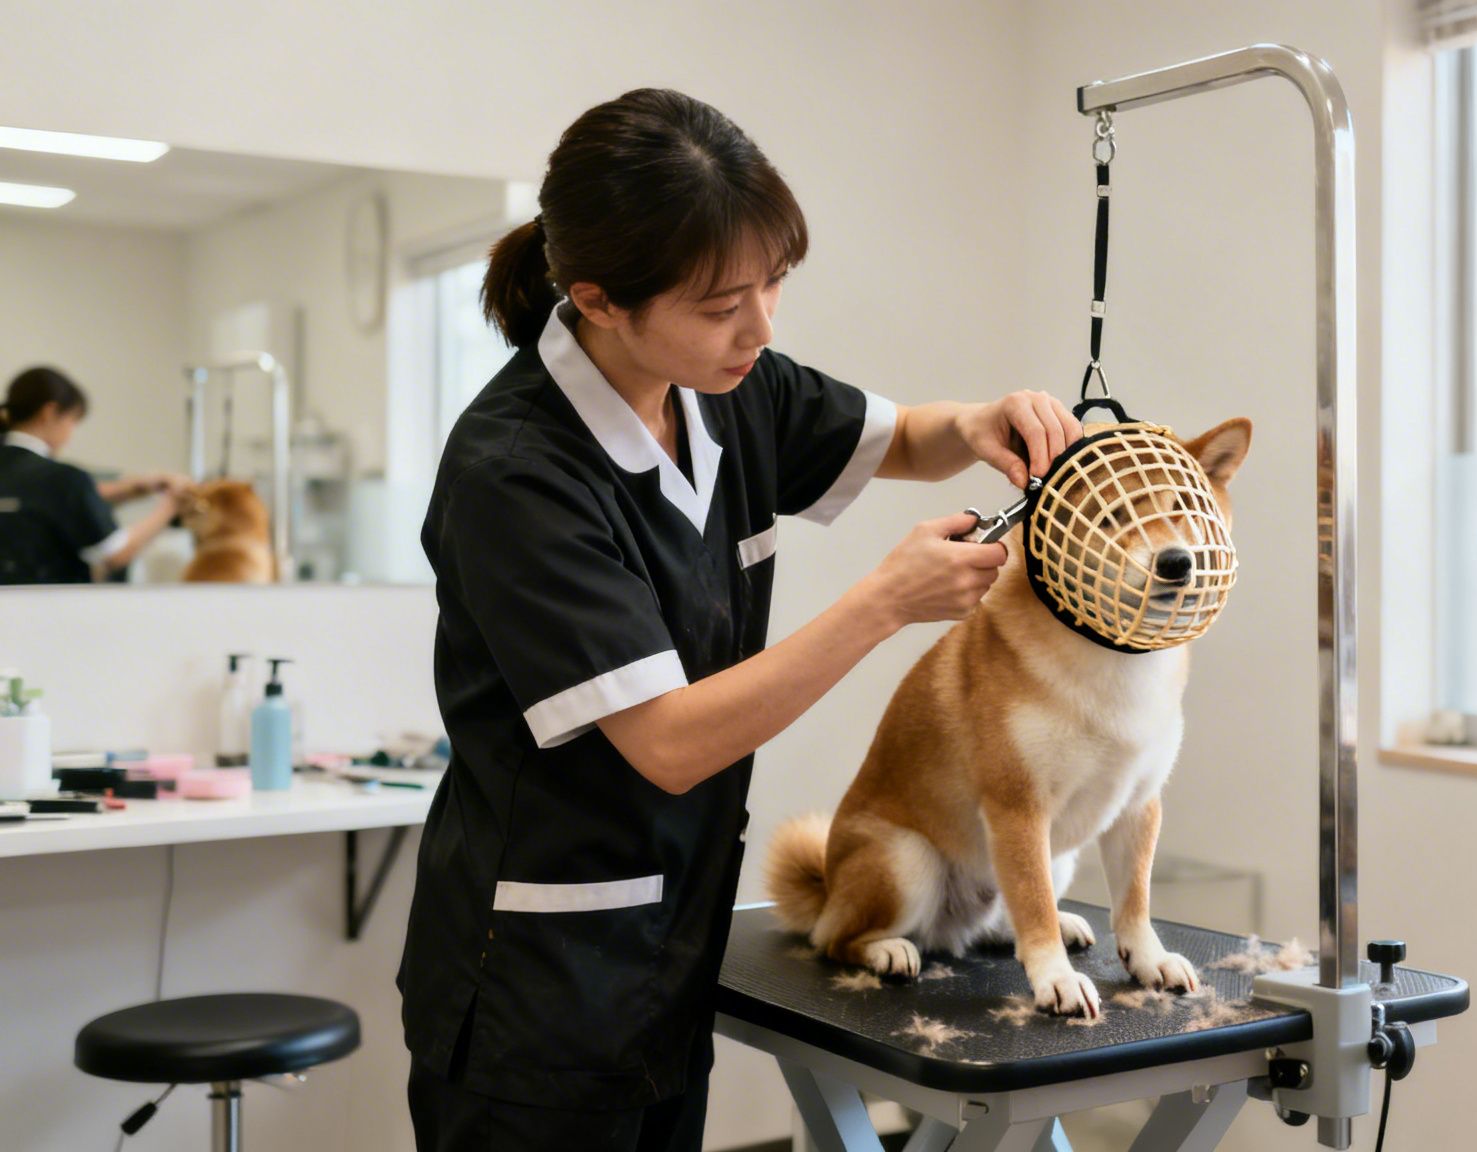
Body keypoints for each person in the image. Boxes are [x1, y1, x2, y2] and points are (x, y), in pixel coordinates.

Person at [398, 88, 1083, 1152]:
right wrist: (881, 604)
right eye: (724, 304)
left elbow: (902, 438)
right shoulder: (517, 474)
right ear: (599, 299)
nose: (760, 329)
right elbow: (668, 744)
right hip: (536, 989)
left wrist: (979, 421)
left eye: (773, 285)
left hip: (669, 951)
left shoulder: (724, 387)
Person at [0, 366, 186, 584]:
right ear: (49, 412)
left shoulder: (32, 477)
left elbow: (46, 501)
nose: (70, 435)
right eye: (72, 421)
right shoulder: (62, 479)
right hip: (47, 611)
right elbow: (116, 554)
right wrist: (170, 506)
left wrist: (134, 488)